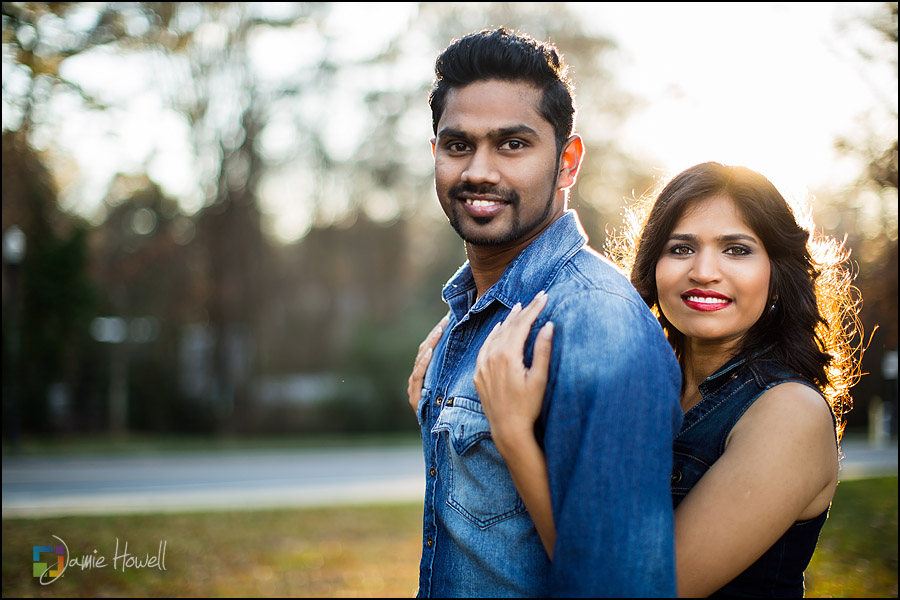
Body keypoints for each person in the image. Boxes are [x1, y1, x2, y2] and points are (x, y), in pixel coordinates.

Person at [410, 161, 862, 597]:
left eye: (736, 249)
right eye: (681, 248)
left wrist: (514, 436)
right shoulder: (641, 380)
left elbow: (629, 588)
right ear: (654, 266)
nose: (704, 271)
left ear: (777, 276)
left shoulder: (789, 413)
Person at [408, 27, 683, 597]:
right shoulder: (471, 316)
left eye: (513, 144)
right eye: (459, 145)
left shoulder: (595, 326)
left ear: (567, 162)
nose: (479, 171)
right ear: (435, 152)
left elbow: (619, 585)